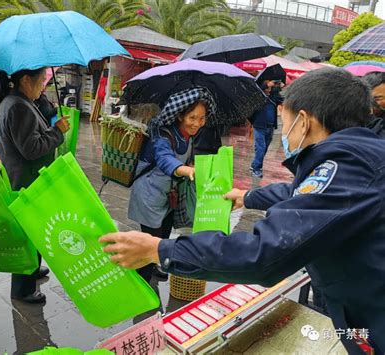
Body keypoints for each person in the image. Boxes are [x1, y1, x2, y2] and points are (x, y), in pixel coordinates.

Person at [101, 68, 385, 354]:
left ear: (303, 120)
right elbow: (303, 194)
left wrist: (161, 251)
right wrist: (248, 196)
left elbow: (265, 252)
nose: (282, 130)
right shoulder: (360, 158)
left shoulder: (347, 166)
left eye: (282, 119)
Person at [0, 68, 70, 304]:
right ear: (26, 80)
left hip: (24, 179)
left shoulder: (20, 101)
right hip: (24, 181)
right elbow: (31, 148)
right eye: (41, 81)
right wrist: (57, 132)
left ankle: (33, 270)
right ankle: (23, 289)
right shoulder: (18, 106)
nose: (43, 86)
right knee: (27, 234)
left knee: (34, 230)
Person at [127, 87, 218, 284]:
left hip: (168, 195)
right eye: (192, 117)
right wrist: (185, 170)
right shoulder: (163, 135)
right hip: (149, 194)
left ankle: (157, 267)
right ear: (179, 115)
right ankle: (142, 282)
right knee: (151, 240)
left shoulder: (188, 136)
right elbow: (164, 158)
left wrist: (192, 165)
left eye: (202, 119)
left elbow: (185, 158)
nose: (197, 123)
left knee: (165, 233)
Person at [249, 81, 278, 178]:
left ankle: (254, 164)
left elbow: (282, 98)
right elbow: (258, 89)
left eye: (270, 88)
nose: (269, 90)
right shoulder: (258, 96)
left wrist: (279, 86)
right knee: (260, 148)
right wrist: (266, 85)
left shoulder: (273, 97)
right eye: (267, 87)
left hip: (270, 127)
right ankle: (256, 169)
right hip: (259, 126)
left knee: (264, 148)